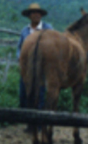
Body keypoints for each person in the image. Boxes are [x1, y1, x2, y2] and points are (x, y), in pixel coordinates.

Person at [17, 3, 52, 133]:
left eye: (38, 12)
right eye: (33, 13)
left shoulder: (48, 29)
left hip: (42, 68)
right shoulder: (25, 31)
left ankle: (38, 122)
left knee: (40, 94)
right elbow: (19, 48)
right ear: (29, 16)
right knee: (25, 94)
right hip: (27, 68)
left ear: (41, 15)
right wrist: (20, 58)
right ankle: (29, 122)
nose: (36, 15)